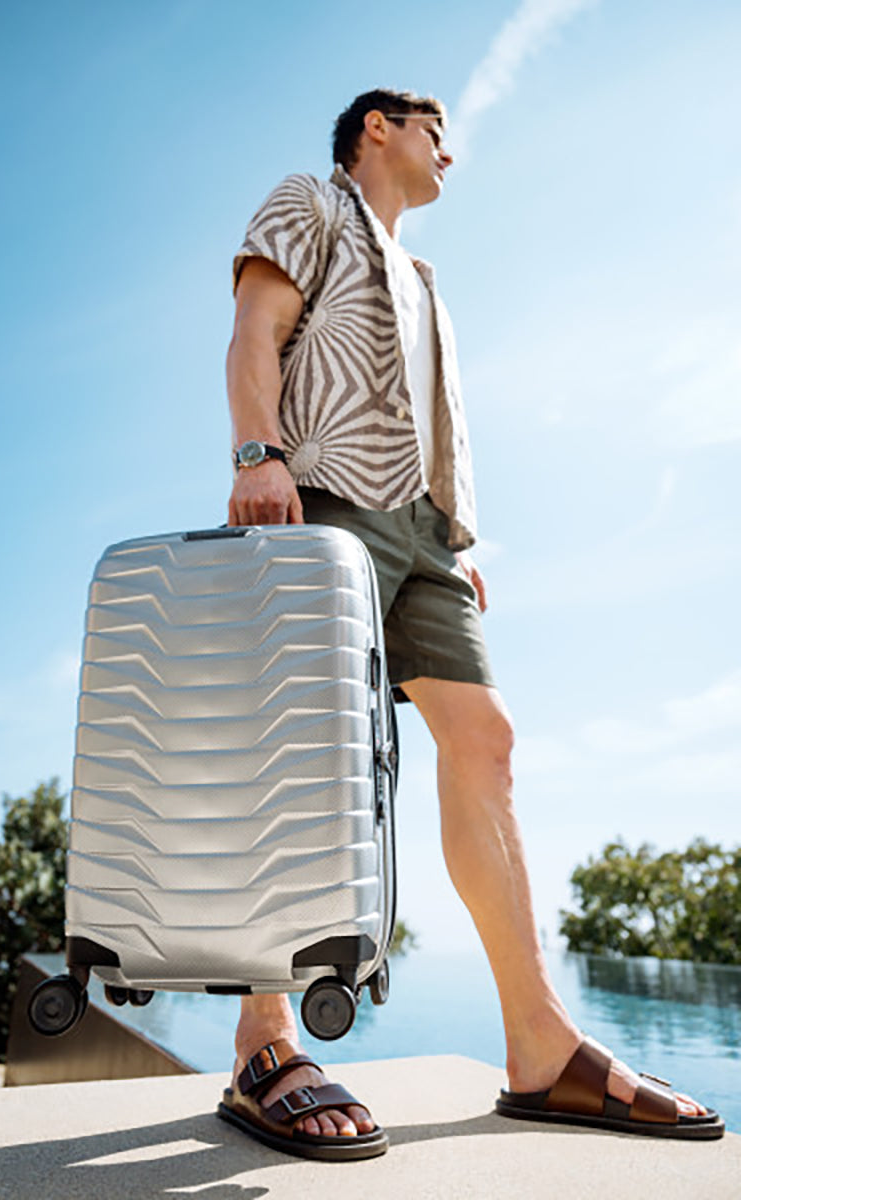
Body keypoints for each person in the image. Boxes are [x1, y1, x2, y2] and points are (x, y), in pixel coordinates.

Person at [218, 88, 724, 1160]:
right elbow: (257, 328)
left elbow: (430, 420)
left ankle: (540, 1050)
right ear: (376, 129)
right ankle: (264, 1040)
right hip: (324, 498)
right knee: (311, 749)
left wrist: (451, 535)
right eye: (433, 130)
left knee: (485, 739)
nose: (449, 151)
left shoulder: (427, 278)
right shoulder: (310, 201)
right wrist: (258, 454)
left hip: (426, 538)